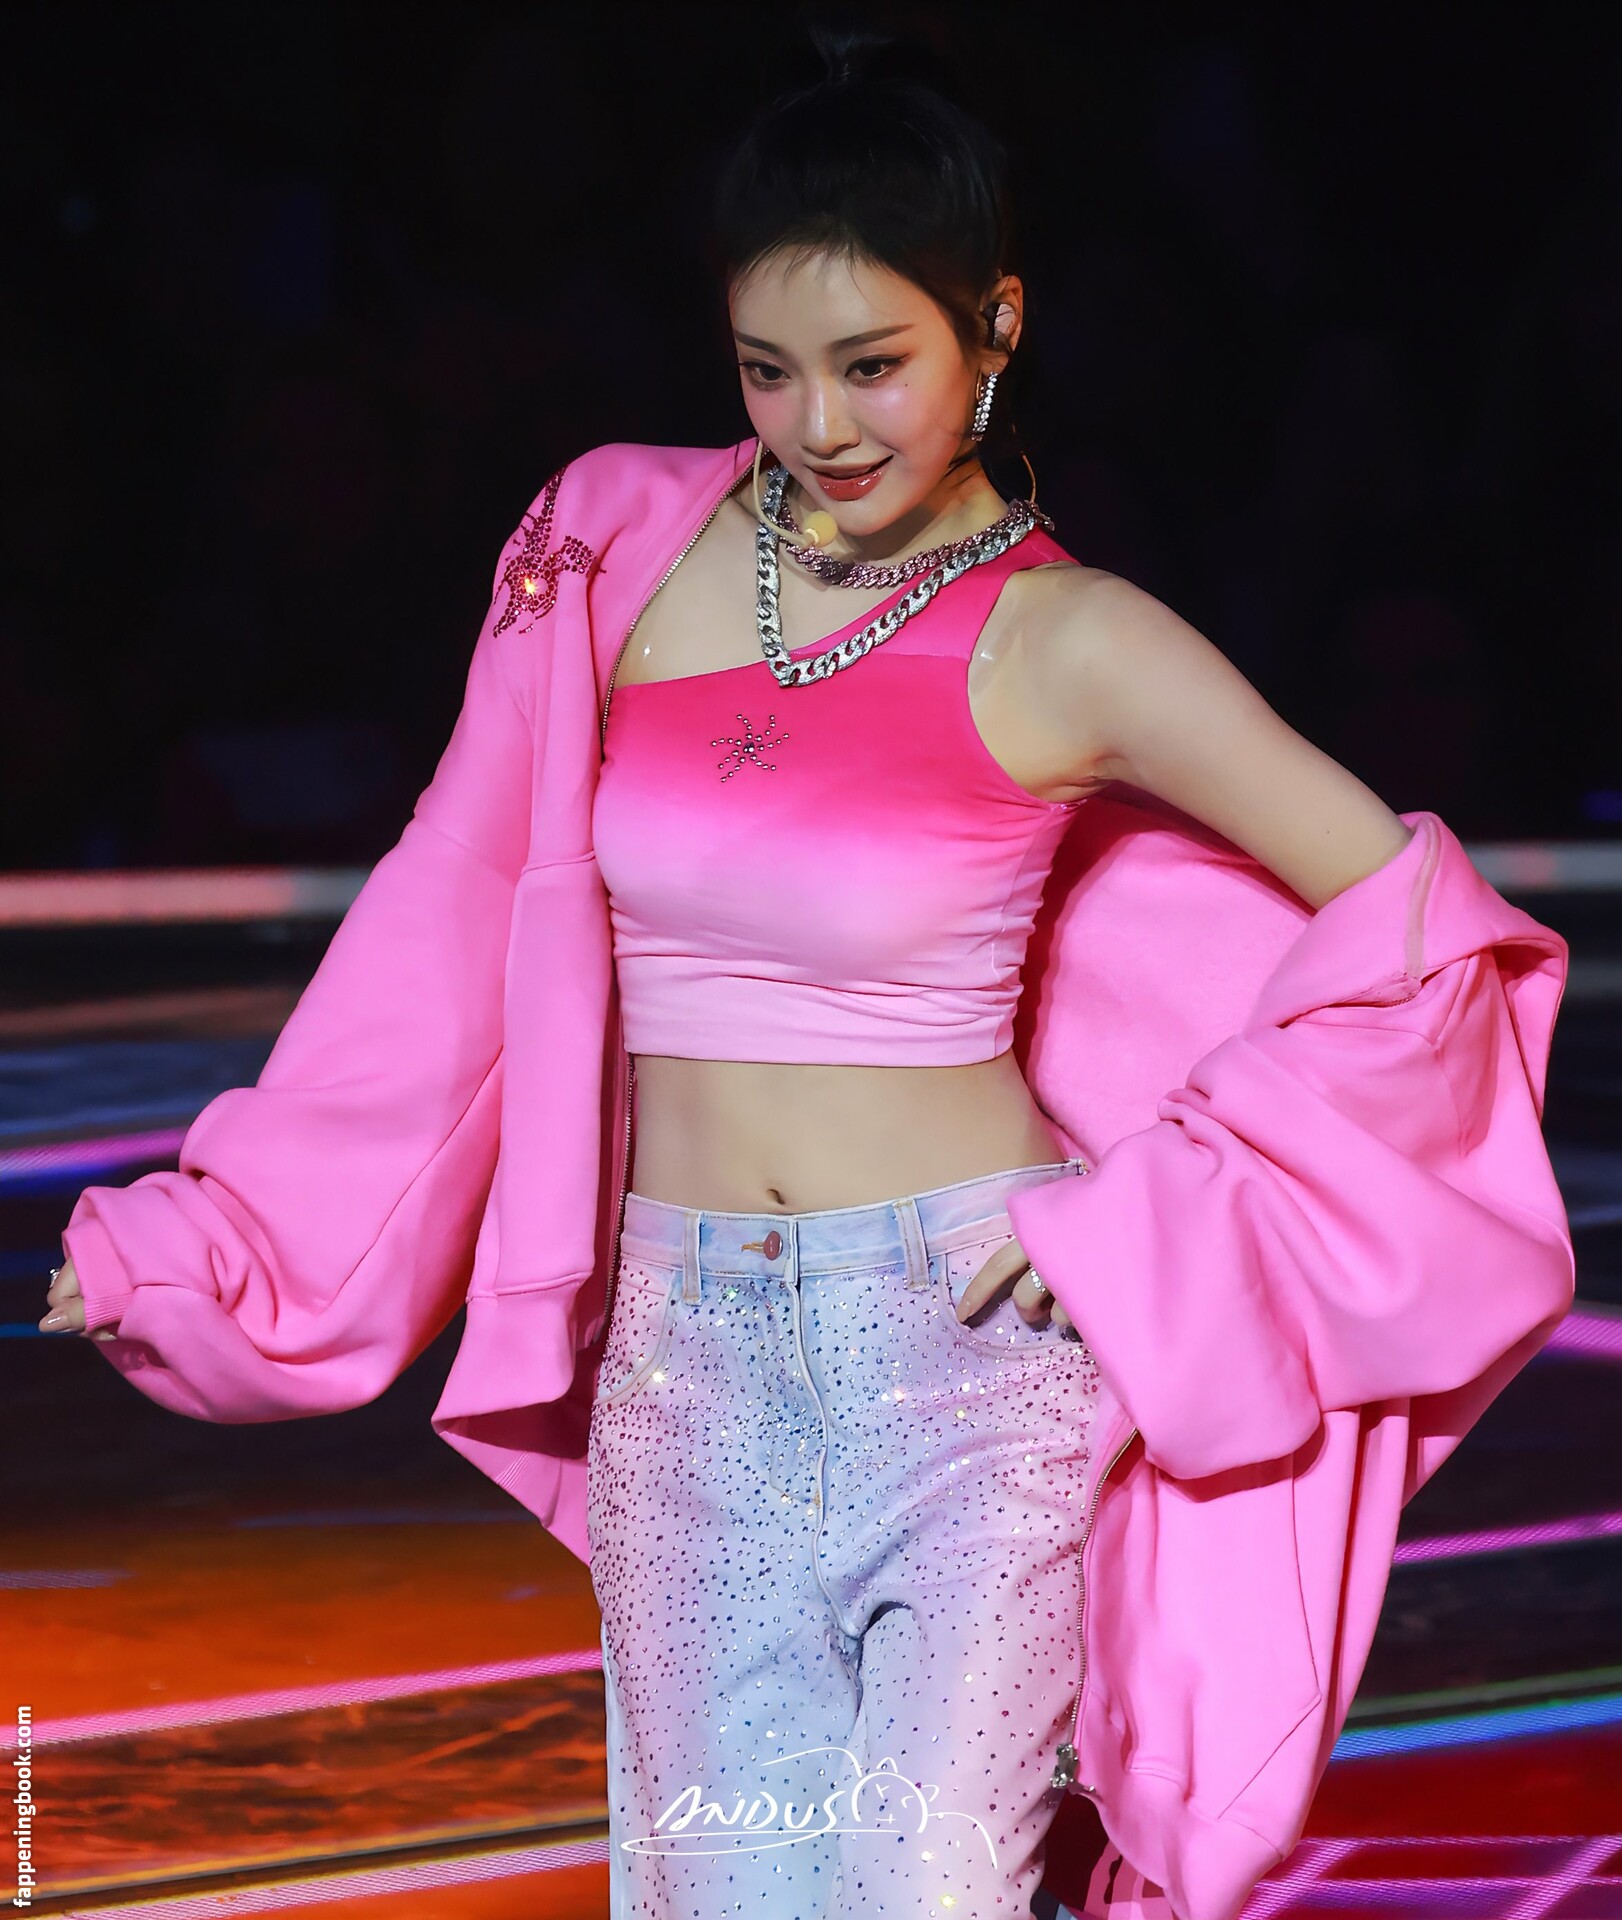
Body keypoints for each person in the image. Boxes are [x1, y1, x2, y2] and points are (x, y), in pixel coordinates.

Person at [44, 28, 1574, 1920]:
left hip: (975, 1359)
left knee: (925, 1893)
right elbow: (442, 922)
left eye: (873, 365)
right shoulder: (611, 547)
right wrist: (222, 1239)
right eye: (766, 368)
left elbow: (1420, 928)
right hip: (678, 1363)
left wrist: (1173, 1195)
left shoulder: (1078, 641)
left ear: (994, 327)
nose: (818, 424)